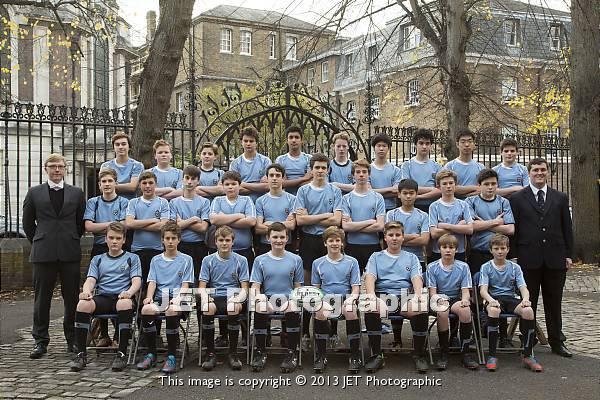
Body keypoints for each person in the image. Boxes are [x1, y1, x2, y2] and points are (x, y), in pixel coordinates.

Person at [23, 153, 86, 359]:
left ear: (66, 169)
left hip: (69, 251)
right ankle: (40, 341)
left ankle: (72, 340)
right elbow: (27, 224)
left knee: (72, 298)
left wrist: (70, 237)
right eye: (52, 166)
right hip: (43, 252)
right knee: (42, 299)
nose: (57, 169)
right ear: (46, 169)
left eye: (60, 166)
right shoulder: (34, 193)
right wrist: (40, 240)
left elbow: (80, 223)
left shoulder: (77, 193)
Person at [509, 158, 573, 358]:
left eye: (543, 170)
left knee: (554, 302)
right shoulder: (517, 198)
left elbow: (567, 228)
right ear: (529, 173)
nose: (539, 173)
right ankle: (527, 340)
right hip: (528, 258)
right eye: (535, 170)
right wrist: (513, 256)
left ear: (548, 172)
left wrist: (568, 255)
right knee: (528, 302)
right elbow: (514, 230)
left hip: (555, 257)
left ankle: (557, 341)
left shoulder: (560, 198)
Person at [69, 222, 142, 372]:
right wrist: (86, 292)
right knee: (82, 305)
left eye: (118, 238)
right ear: (105, 239)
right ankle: (81, 354)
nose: (114, 241)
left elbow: (137, 281)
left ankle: (121, 353)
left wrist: (129, 292)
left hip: (122, 297)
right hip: (103, 297)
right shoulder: (98, 259)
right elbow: (90, 280)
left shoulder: (133, 258)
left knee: (124, 304)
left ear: (124, 240)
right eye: (111, 238)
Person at [363, 221, 430, 373]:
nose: (394, 238)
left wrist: (418, 295)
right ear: (385, 237)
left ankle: (419, 355)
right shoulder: (376, 256)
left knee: (419, 307)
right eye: (391, 235)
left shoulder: (412, 257)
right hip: (383, 295)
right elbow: (370, 277)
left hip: (404, 295)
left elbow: (416, 278)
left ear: (403, 237)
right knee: (371, 306)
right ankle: (376, 355)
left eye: (398, 235)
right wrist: (371, 295)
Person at [295, 153, 343, 349]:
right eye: (317, 167)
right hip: (309, 241)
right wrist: (325, 215)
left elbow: (336, 220)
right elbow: (300, 221)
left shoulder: (335, 191)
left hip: (330, 239)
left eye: (324, 167)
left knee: (331, 284)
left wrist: (312, 217)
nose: (320, 171)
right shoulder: (303, 191)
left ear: (328, 170)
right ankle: (306, 332)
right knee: (310, 288)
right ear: (311, 169)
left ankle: (332, 332)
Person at [136, 222, 194, 373]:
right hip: (161, 298)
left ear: (179, 239)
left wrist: (178, 298)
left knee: (171, 310)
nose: (170, 241)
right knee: (147, 309)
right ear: (162, 240)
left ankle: (171, 356)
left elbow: (186, 285)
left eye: (173, 238)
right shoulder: (156, 260)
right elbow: (152, 282)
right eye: (167, 238)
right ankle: (151, 353)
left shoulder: (187, 259)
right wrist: (149, 297)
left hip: (180, 298)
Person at [479, 234, 542, 372]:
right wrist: (491, 301)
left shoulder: (515, 267)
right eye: (496, 248)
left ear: (508, 249)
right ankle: (492, 355)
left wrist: (525, 299)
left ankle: (528, 355)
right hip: (494, 298)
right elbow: (483, 290)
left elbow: (523, 287)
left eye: (503, 248)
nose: (500, 251)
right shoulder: (486, 267)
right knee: (494, 310)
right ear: (491, 250)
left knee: (528, 311)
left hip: (510, 298)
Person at [83, 167, 130, 347]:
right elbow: (89, 226)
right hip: (99, 248)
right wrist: (113, 226)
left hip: (120, 248)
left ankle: (119, 335)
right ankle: (103, 335)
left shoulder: (124, 202)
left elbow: (125, 225)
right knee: (100, 288)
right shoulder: (93, 202)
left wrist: (103, 227)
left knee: (120, 286)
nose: (107, 184)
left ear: (116, 183)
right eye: (104, 181)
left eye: (110, 181)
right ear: (99, 185)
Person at [249, 222, 304, 373]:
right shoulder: (260, 260)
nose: (278, 240)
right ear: (268, 238)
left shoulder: (296, 259)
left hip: (287, 299)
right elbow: (255, 286)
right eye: (275, 237)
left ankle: (291, 353)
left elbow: (298, 286)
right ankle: (260, 351)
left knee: (293, 307)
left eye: (282, 237)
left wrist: (294, 299)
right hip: (269, 299)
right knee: (260, 305)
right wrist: (259, 297)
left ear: (287, 238)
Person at [385, 178, 430, 349]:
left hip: (417, 260)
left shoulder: (423, 215)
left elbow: (424, 240)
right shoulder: (392, 214)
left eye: (412, 193)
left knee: (412, 299)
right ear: (399, 194)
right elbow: (390, 238)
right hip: (394, 260)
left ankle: (417, 337)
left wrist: (401, 238)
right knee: (397, 295)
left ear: (416, 195)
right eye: (405, 193)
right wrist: (413, 236)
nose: (408, 196)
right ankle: (397, 339)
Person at [311, 227, 362, 373]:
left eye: (337, 240)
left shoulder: (352, 262)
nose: (334, 243)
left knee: (350, 310)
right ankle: (321, 356)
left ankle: (355, 356)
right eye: (331, 240)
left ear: (342, 243)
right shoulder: (317, 263)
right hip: (326, 299)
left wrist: (351, 299)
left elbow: (355, 288)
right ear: (325, 243)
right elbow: (316, 289)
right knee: (320, 310)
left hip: (345, 298)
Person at [198, 226, 249, 371]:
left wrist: (237, 299)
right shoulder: (208, 260)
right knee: (207, 308)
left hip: (233, 296)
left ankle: (233, 353)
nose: (224, 243)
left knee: (233, 308)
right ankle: (210, 354)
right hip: (215, 296)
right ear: (215, 242)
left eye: (227, 240)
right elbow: (202, 286)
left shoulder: (241, 260)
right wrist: (205, 298)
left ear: (233, 242)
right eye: (221, 240)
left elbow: (245, 288)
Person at [426, 234, 478, 370]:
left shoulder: (463, 266)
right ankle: (444, 352)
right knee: (442, 312)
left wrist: (465, 300)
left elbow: (465, 291)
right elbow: (432, 293)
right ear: (439, 249)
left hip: (455, 298)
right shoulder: (432, 267)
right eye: (444, 247)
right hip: (438, 298)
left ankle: (465, 353)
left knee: (466, 311)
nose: (448, 250)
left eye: (451, 247)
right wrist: (439, 300)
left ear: (456, 249)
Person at [466, 169, 515, 275]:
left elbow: (510, 229)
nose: (490, 187)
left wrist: (483, 224)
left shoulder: (504, 202)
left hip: (499, 253)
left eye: (493, 184)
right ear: (479, 185)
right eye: (486, 184)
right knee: (478, 283)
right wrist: (496, 222)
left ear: (497, 184)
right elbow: (471, 227)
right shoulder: (470, 201)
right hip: (477, 252)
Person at [341, 159, 385, 274]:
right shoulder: (346, 199)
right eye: (358, 172)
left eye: (364, 172)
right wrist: (370, 221)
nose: (361, 175)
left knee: (372, 279)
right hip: (352, 245)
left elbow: (380, 226)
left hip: (372, 245)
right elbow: (346, 227)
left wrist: (354, 225)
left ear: (369, 174)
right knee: (353, 280)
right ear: (353, 175)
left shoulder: (378, 198)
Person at [125, 171, 171, 282]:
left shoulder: (163, 202)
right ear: (139, 185)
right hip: (137, 250)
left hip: (158, 249)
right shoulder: (133, 202)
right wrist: (152, 220)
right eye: (144, 183)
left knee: (155, 282)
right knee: (138, 282)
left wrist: (137, 224)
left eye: (150, 183)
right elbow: (129, 224)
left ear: (156, 184)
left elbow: (162, 226)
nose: (147, 186)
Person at [428, 170, 474, 262]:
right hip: (439, 251)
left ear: (455, 185)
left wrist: (445, 225)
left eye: (451, 183)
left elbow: (470, 229)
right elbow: (434, 233)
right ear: (438, 186)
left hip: (458, 250)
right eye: (444, 184)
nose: (448, 186)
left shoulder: (463, 205)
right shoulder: (434, 206)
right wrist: (459, 226)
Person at [254, 163, 297, 256]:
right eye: (271, 175)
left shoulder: (292, 199)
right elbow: (258, 228)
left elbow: (292, 225)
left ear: (283, 178)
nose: (274, 178)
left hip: (286, 244)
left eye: (277, 175)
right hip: (266, 244)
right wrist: (283, 224)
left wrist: (268, 223)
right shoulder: (260, 201)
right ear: (267, 178)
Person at [400, 128, 442, 212]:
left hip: (432, 207)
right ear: (415, 144)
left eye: (427, 143)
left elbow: (440, 190)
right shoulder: (407, 165)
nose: (424, 146)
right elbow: (407, 188)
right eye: (421, 143)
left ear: (431, 145)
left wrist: (418, 196)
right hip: (412, 207)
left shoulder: (437, 166)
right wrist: (431, 189)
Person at [228, 126, 271, 202]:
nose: (248, 143)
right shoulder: (235, 164)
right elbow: (233, 188)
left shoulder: (265, 161)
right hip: (241, 203)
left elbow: (268, 186)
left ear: (256, 143)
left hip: (262, 202)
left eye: (251, 141)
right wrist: (258, 186)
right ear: (241, 142)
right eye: (245, 141)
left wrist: (243, 184)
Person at [100, 132, 144, 200]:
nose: (120, 147)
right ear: (113, 148)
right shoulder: (106, 166)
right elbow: (102, 188)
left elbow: (132, 187)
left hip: (129, 204)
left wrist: (111, 186)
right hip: (110, 203)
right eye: (117, 144)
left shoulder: (137, 165)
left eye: (123, 144)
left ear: (129, 146)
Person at [443, 129, 485, 199]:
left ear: (474, 144)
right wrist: (474, 188)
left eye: (470, 141)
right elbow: (449, 188)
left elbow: (483, 189)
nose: (467, 144)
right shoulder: (449, 166)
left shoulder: (481, 167)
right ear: (457, 144)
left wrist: (462, 191)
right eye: (463, 142)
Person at [369, 133, 402, 211]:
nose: (381, 148)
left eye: (384, 146)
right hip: (372, 208)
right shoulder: (367, 170)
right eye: (378, 146)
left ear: (389, 148)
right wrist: (390, 189)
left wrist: (375, 192)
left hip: (390, 208)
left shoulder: (396, 170)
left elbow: (396, 192)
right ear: (374, 148)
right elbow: (367, 192)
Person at [275, 126, 312, 196]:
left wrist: (288, 183)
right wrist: (304, 178)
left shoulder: (309, 159)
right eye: (291, 137)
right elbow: (280, 183)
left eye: (297, 137)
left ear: (302, 140)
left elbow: (311, 183)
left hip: (306, 196)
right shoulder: (280, 160)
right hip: (286, 197)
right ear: (287, 141)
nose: (294, 140)